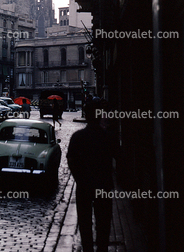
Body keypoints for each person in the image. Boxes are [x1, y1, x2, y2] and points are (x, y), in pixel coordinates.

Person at [67, 98, 118, 252]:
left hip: (84, 187)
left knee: (85, 222)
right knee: (103, 223)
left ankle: (88, 248)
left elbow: (71, 161)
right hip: (103, 185)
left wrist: (80, 179)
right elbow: (120, 157)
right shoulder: (108, 136)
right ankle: (101, 248)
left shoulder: (78, 137)